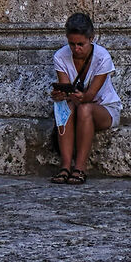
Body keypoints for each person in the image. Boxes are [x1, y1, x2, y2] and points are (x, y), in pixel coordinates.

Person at [52, 11, 121, 183]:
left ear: (91, 38)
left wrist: (74, 96)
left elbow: (90, 96)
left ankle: (80, 168)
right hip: (76, 107)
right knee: (62, 106)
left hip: (104, 109)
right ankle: (65, 166)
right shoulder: (60, 56)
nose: (76, 49)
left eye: (81, 44)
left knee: (85, 108)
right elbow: (67, 90)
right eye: (72, 44)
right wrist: (61, 94)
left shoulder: (102, 57)